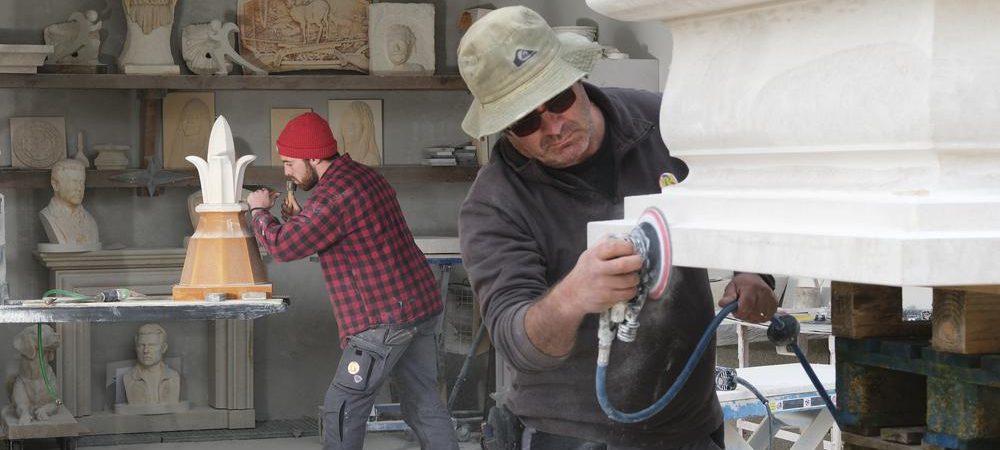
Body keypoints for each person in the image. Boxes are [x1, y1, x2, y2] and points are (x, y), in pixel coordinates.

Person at [456, 6, 779, 450]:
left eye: (559, 99)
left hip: (690, 425)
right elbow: (517, 343)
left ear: (577, 78)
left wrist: (753, 271)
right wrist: (573, 296)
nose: (553, 126)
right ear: (504, 130)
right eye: (526, 121)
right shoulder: (495, 204)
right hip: (572, 436)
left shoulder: (663, 125)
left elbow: (738, 194)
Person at [246, 112, 458, 450]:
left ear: (313, 156)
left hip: (383, 319)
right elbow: (349, 231)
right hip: (419, 306)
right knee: (424, 403)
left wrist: (258, 212)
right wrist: (302, 219)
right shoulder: (362, 177)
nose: (286, 171)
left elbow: (283, 246)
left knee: (343, 407)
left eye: (289, 163)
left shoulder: (333, 196)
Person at [39, 155, 99, 246]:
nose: (79, 188)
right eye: (74, 182)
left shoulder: (90, 221)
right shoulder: (48, 216)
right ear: (55, 185)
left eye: (81, 182)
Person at [123, 323, 181, 406]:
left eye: (152, 345)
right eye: (141, 345)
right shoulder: (128, 378)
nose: (146, 350)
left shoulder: (174, 377)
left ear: (164, 348)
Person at [339, 101, 382, 166]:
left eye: (354, 122)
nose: (349, 127)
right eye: (346, 121)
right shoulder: (338, 158)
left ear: (365, 126)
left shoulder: (371, 160)